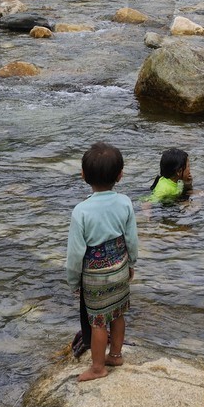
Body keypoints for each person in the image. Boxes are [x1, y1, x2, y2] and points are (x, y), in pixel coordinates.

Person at [67, 142, 139, 382]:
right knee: (117, 313)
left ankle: (98, 367)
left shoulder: (81, 211)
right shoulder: (125, 202)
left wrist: (73, 280)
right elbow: (131, 239)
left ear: (83, 175)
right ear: (120, 175)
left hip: (95, 275)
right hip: (119, 267)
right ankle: (116, 354)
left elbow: (76, 252)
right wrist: (131, 264)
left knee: (98, 322)